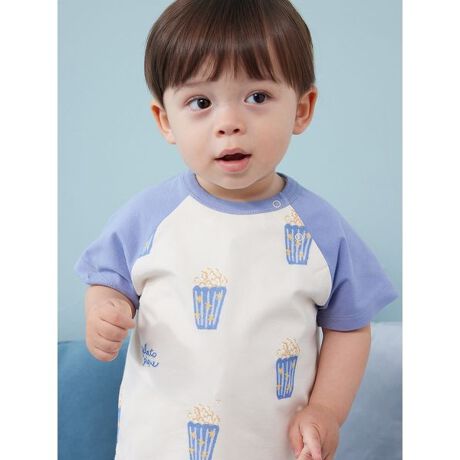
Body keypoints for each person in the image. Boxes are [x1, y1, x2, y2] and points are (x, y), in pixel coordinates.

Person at [75, 1, 398, 458]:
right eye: (201, 103)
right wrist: (103, 311)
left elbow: (350, 327)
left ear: (302, 109)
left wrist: (326, 409)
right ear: (166, 120)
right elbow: (108, 282)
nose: (229, 124)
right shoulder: (151, 216)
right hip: (157, 445)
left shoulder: (319, 229)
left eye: (257, 97)